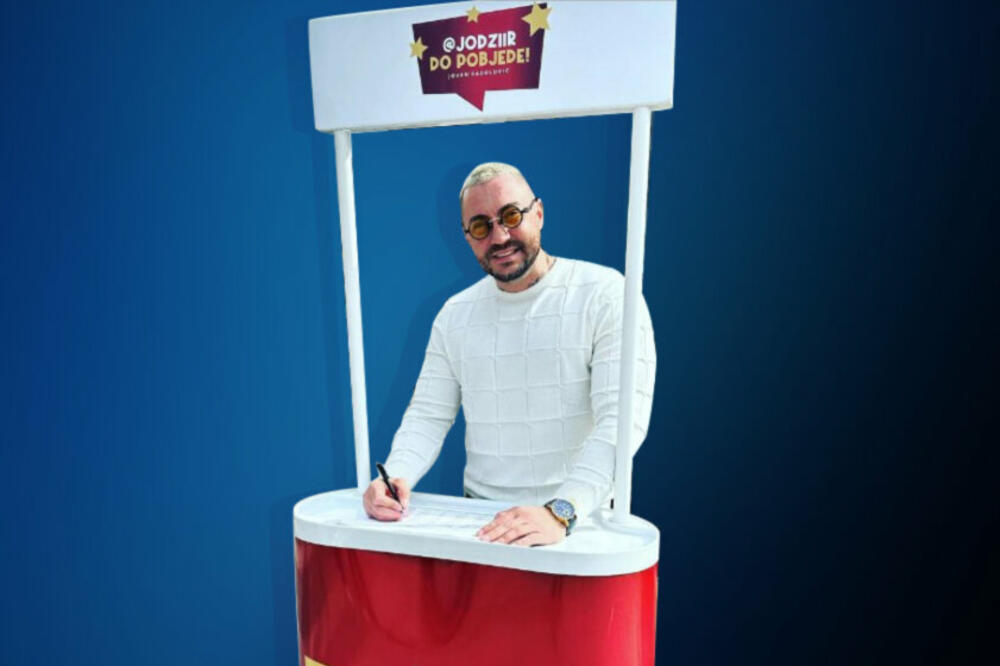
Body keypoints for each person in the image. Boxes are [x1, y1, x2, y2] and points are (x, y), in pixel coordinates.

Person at [362, 162, 656, 546]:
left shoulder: (606, 294)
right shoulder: (455, 315)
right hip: (484, 527)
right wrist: (394, 477)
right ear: (467, 236)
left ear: (539, 213)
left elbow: (622, 422)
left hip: (579, 527)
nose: (499, 236)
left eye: (511, 216)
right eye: (481, 226)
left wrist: (561, 511)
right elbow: (427, 416)